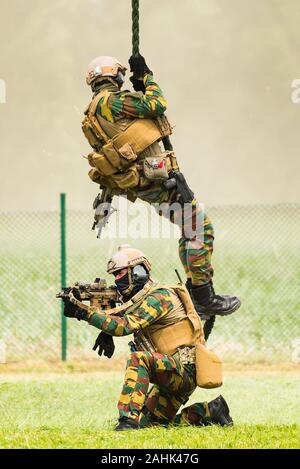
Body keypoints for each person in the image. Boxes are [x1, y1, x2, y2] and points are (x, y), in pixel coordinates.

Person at [82, 54, 241, 319]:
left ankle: (197, 291)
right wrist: (146, 77)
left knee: (189, 229)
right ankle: (203, 297)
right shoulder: (114, 102)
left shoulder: (92, 113)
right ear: (114, 76)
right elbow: (158, 104)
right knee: (201, 228)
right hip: (155, 180)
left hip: (143, 182)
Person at [63, 245, 233, 431]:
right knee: (151, 426)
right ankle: (212, 411)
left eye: (120, 273)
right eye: (115, 275)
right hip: (171, 370)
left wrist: (84, 313)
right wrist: (105, 331)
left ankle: (127, 422)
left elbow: (125, 326)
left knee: (138, 359)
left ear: (137, 272)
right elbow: (123, 321)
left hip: (182, 371)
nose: (117, 280)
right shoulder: (142, 300)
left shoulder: (159, 297)